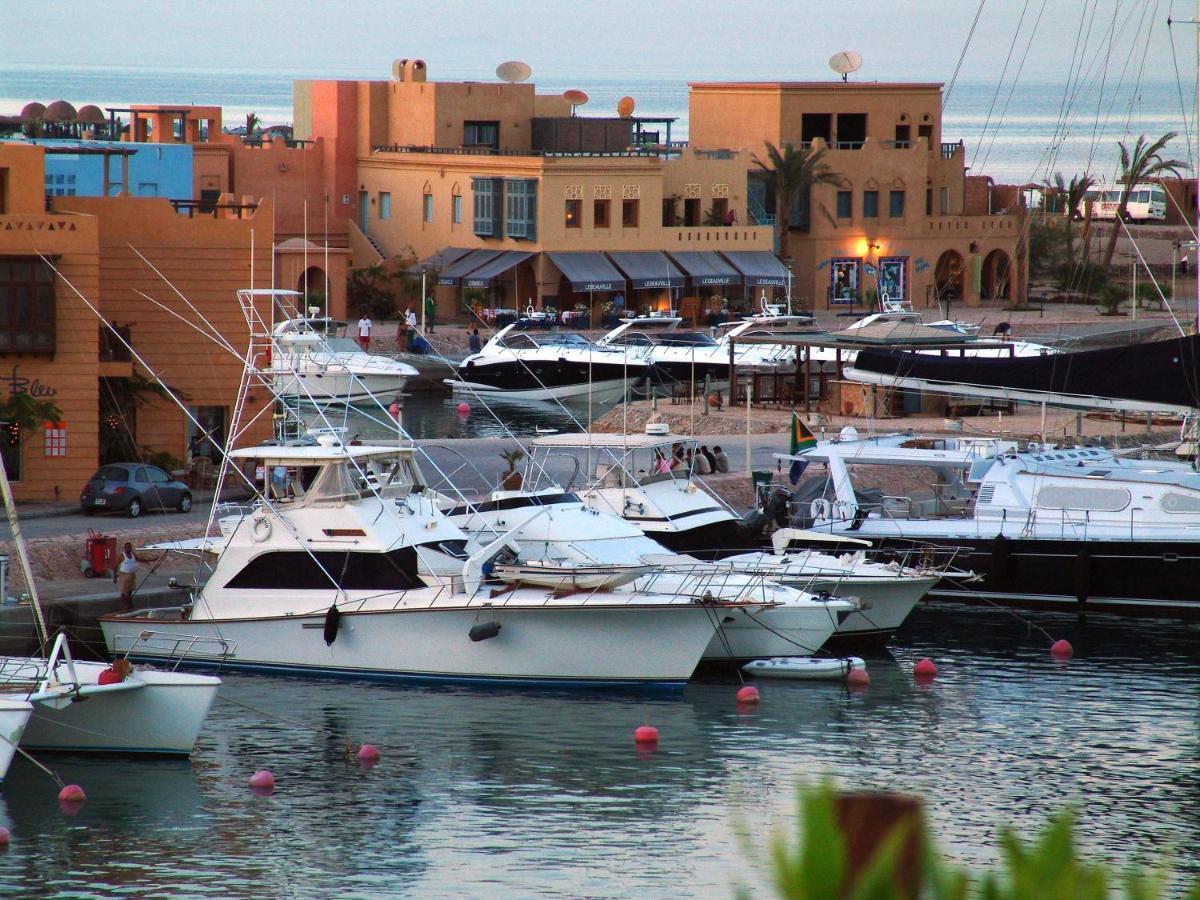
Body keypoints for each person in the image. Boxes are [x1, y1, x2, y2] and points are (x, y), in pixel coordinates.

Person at [114, 542, 138, 608]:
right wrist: (114, 576)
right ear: (124, 548)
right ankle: (125, 606)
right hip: (124, 576)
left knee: (130, 591)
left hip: (132, 576)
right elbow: (116, 565)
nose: (129, 549)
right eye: (127, 547)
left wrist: (150, 560)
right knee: (124, 592)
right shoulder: (121, 556)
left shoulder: (133, 555)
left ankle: (130, 605)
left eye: (130, 547)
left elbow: (139, 559)